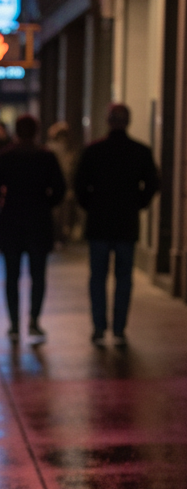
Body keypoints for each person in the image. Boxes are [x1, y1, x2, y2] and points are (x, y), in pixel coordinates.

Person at [75, 103, 160, 346]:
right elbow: (153, 183)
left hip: (99, 223)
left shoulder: (94, 151)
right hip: (126, 223)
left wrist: (91, 205)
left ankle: (99, 327)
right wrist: (137, 204)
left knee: (98, 278)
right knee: (124, 278)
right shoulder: (140, 151)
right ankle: (120, 329)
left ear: (108, 121)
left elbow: (80, 185)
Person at [0, 114, 66, 343]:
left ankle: (13, 325)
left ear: (16, 132)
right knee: (38, 275)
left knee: (12, 276)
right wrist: (45, 204)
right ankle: (34, 322)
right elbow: (59, 189)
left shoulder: (6, 157)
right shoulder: (47, 157)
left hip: (11, 221)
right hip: (38, 221)